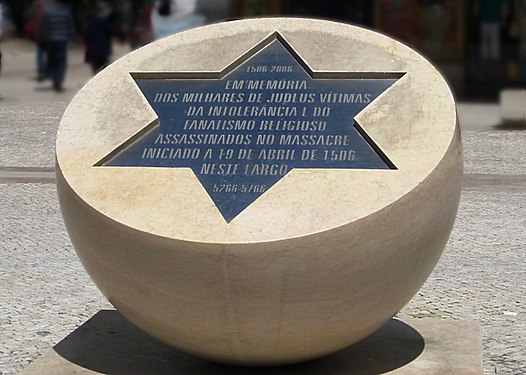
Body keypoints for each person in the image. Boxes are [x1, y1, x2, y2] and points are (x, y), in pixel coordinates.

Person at [41, 0, 75, 92]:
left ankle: (55, 79)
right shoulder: (65, 10)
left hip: (51, 40)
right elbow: (70, 26)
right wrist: (72, 36)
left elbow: (44, 25)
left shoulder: (48, 10)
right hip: (62, 39)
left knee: (53, 61)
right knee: (61, 61)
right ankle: (59, 80)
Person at [84, 1, 118, 74]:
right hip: (103, 49)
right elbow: (111, 31)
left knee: (95, 69)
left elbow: (86, 34)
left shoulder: (90, 22)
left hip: (92, 49)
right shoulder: (103, 21)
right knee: (103, 69)